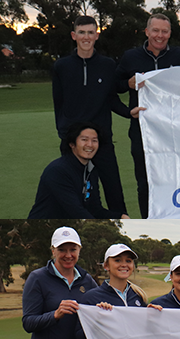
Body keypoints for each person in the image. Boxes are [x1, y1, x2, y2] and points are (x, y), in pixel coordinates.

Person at [52, 15, 143, 215]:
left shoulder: (108, 65)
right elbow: (59, 103)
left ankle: (123, 226)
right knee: (77, 192)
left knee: (114, 190)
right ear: (74, 35)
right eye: (82, 32)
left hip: (102, 139)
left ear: (97, 35)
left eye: (90, 33)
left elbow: (111, 99)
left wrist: (129, 113)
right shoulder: (61, 66)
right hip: (73, 142)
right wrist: (64, 133)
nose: (86, 37)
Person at [116, 14, 180, 218]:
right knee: (144, 184)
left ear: (170, 33)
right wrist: (128, 85)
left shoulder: (179, 55)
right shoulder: (130, 57)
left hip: (173, 134)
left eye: (164, 31)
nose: (160, 36)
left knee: (174, 181)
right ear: (147, 32)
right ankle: (148, 220)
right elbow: (113, 86)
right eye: (156, 31)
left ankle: (175, 218)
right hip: (141, 131)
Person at [28, 122, 131, 219]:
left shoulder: (91, 170)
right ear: (72, 144)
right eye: (84, 140)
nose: (90, 145)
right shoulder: (57, 171)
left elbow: (95, 209)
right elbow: (76, 211)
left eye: (94, 140)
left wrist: (120, 216)